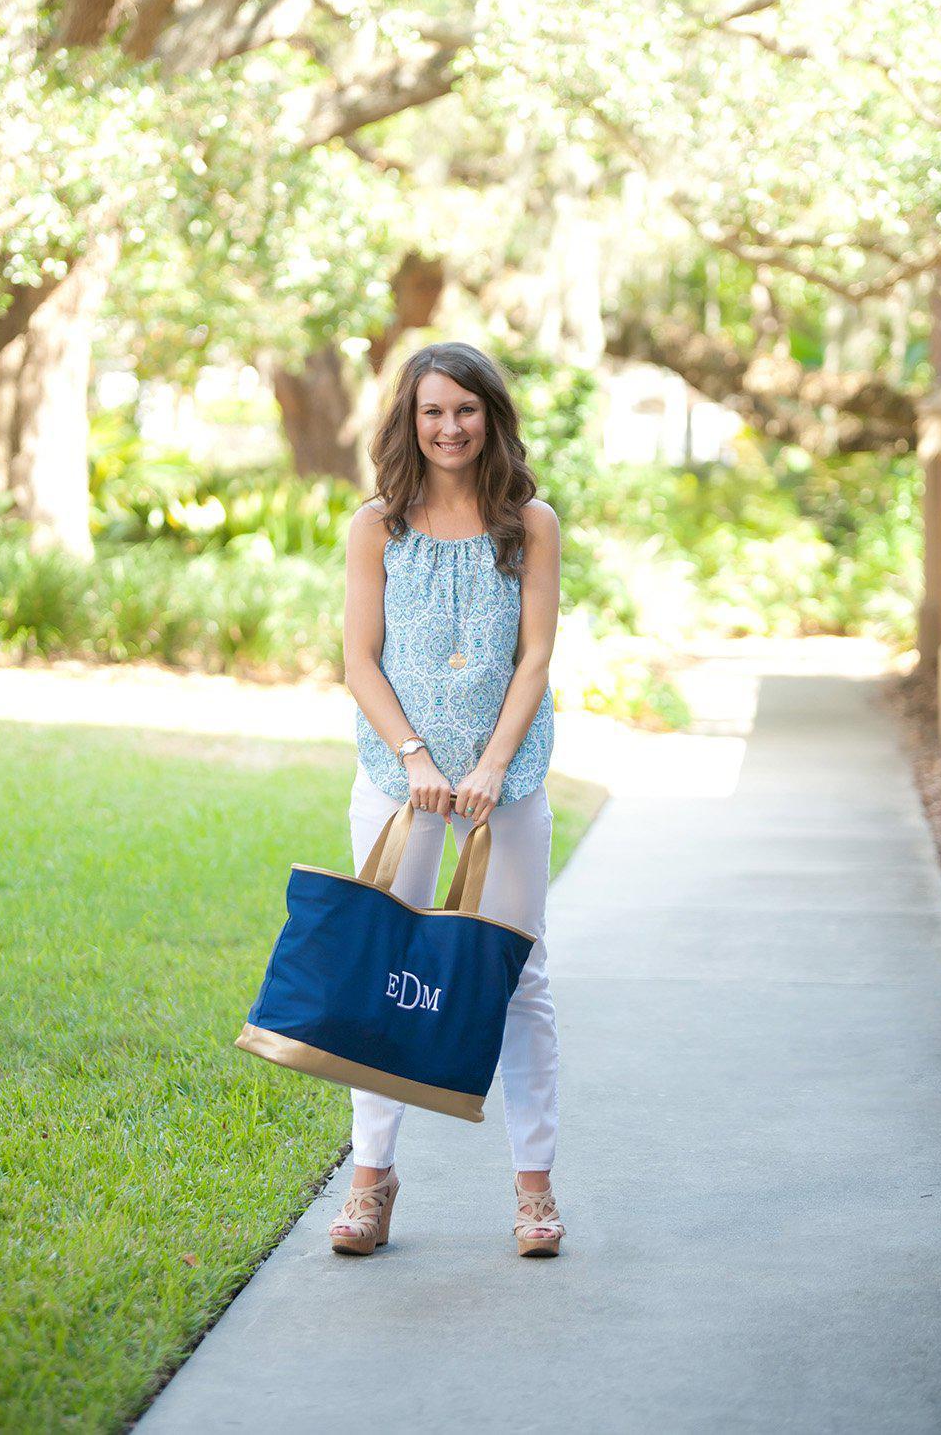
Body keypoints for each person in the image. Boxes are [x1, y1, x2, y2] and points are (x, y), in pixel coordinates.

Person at [329, 341, 566, 1258]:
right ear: (410, 419)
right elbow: (359, 661)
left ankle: (535, 1191)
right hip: (400, 785)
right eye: (433, 411)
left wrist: (494, 767)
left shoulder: (530, 522)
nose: (450, 427)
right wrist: (418, 757)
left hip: (507, 786)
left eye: (465, 410)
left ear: (490, 416)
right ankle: (371, 1180)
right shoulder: (377, 526)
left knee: (519, 977)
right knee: (384, 969)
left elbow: (534, 659)